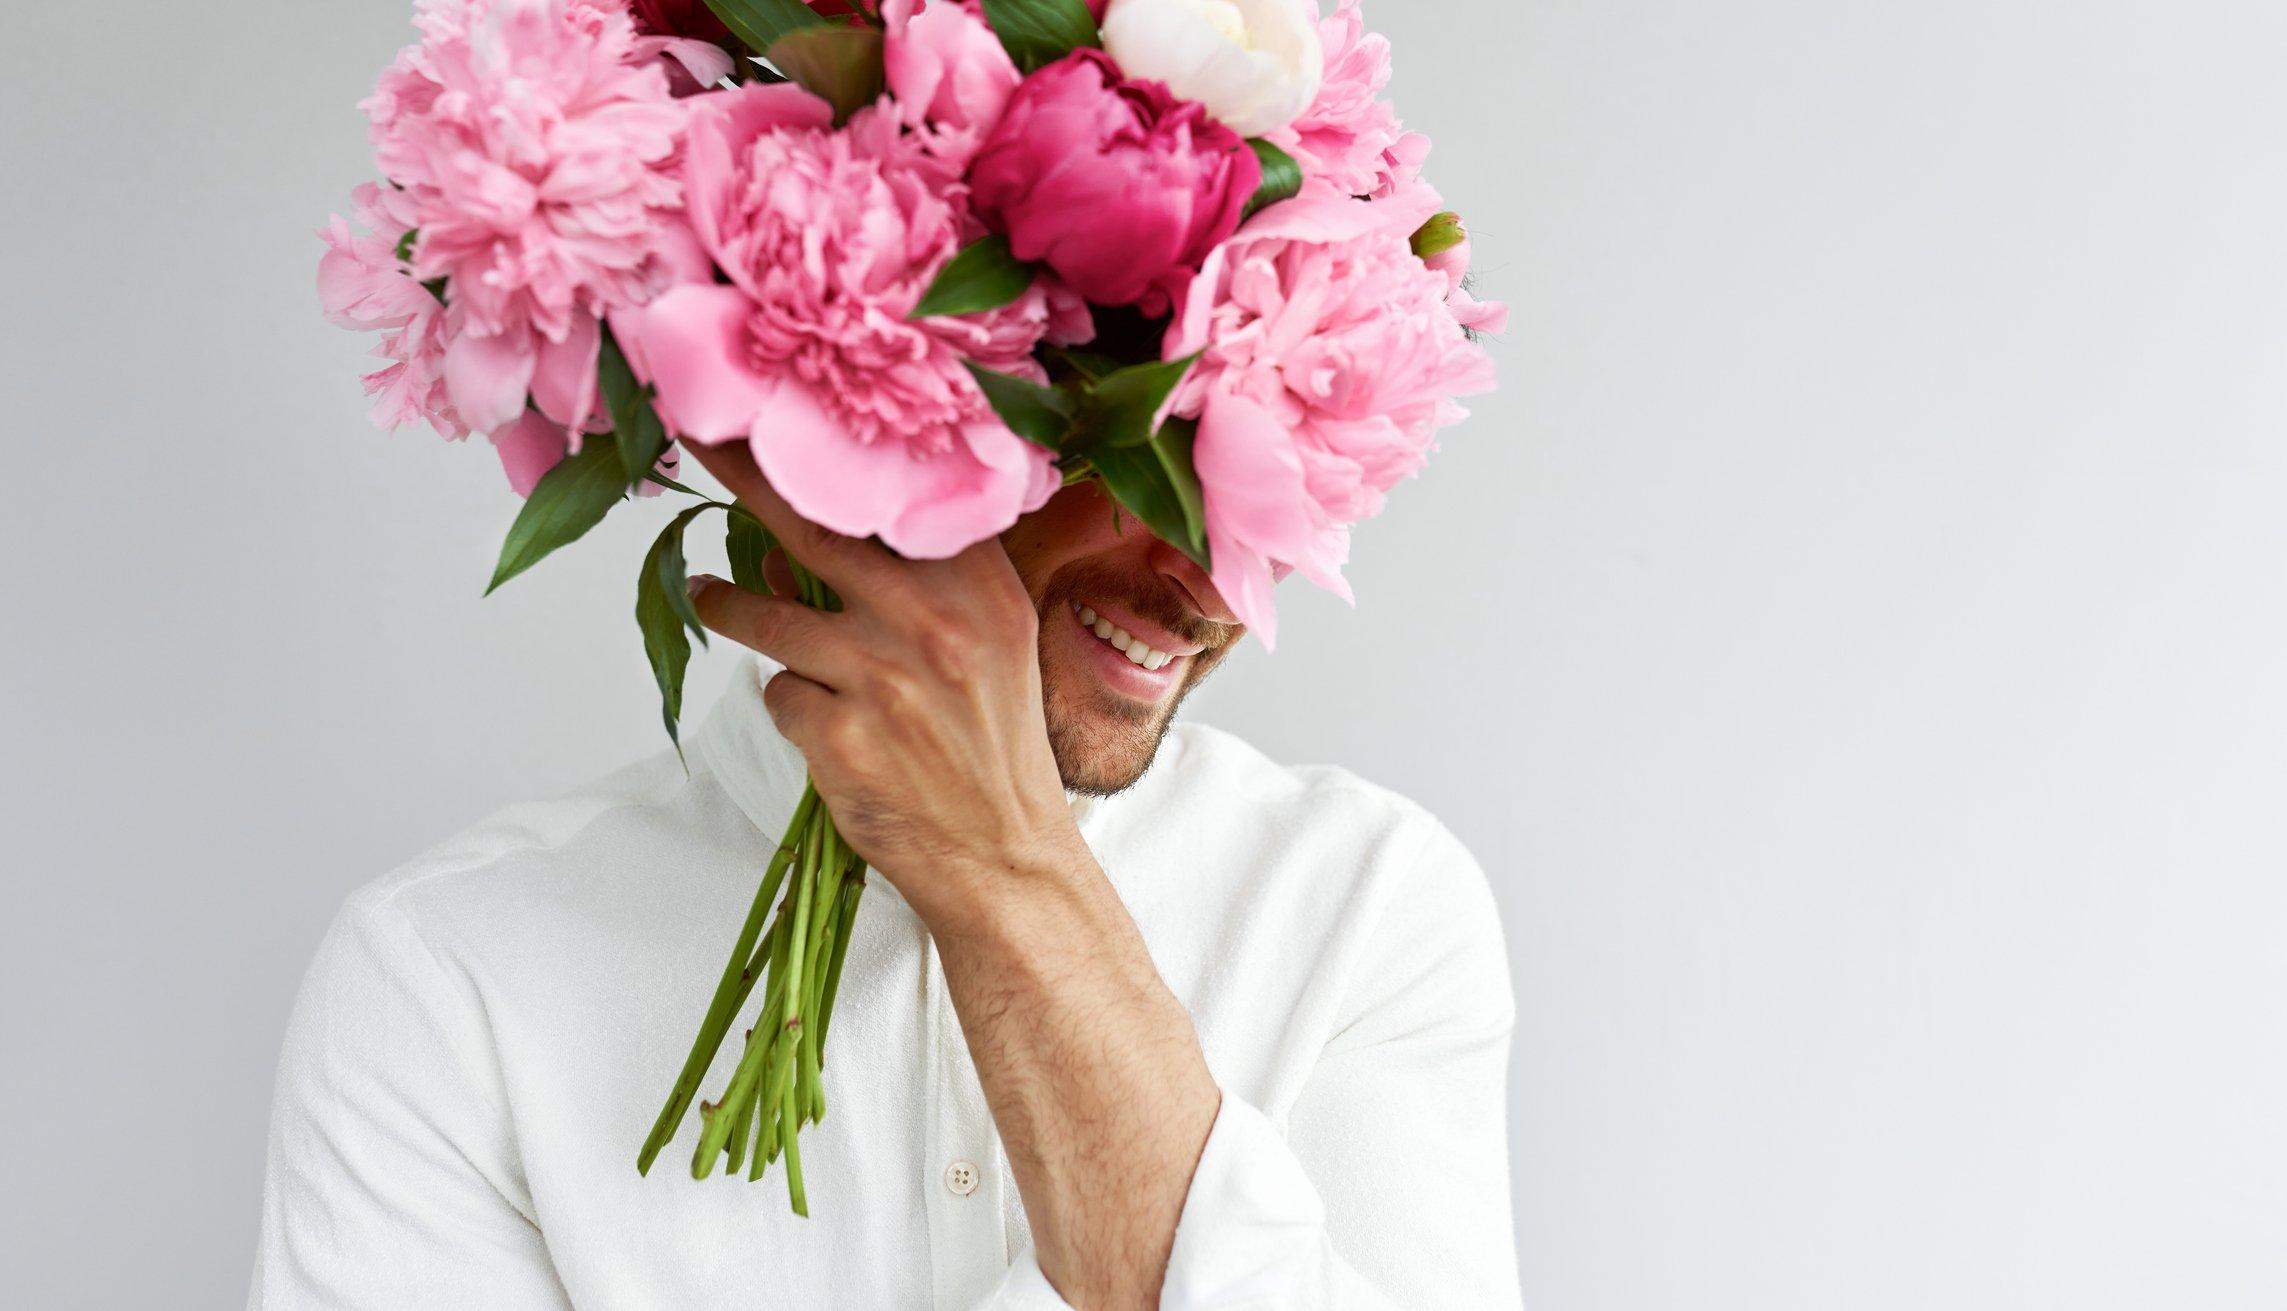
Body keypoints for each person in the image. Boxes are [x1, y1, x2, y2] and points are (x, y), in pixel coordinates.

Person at [248, 439, 1524, 1309]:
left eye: (1275, 486)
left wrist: (1005, 872)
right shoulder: (446, 971)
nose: (1214, 585)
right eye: (1154, 456)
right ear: (895, 434)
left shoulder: (1366, 906)